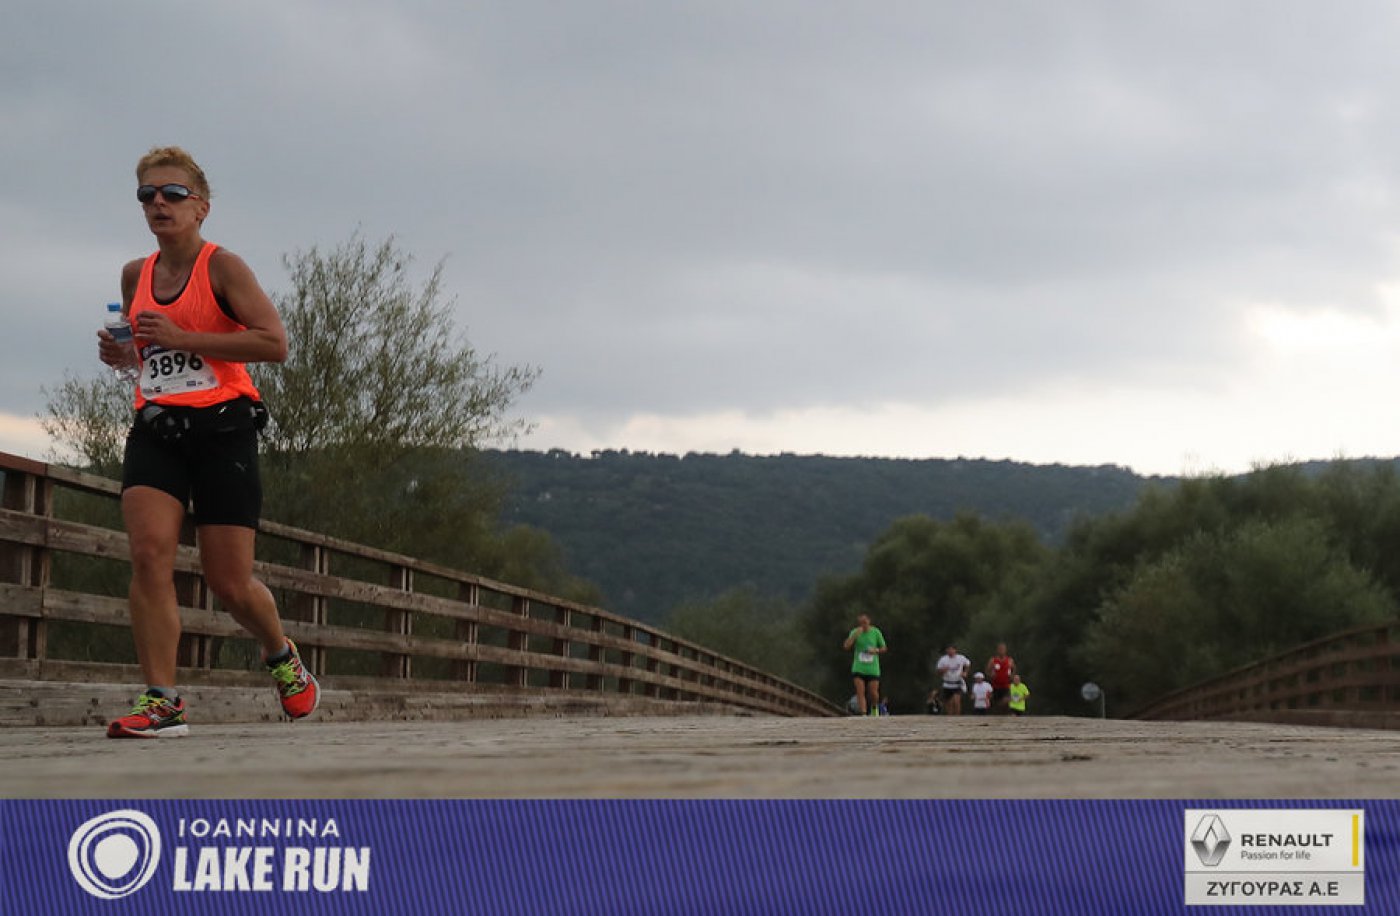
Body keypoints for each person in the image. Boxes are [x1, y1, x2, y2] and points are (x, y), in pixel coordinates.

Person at [97, 146, 319, 738]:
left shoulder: (223, 268)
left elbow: (274, 343)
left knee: (229, 583)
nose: (159, 204)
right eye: (147, 195)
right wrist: (123, 355)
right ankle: (162, 702)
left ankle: (281, 655)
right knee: (149, 555)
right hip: (157, 428)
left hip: (223, 429)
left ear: (201, 207)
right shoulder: (135, 275)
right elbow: (147, 356)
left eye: (172, 193)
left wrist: (183, 336)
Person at [842, 613, 887, 716]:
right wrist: (855, 636)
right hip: (859, 667)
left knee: (873, 693)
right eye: (861, 623)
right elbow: (846, 646)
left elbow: (884, 648)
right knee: (860, 692)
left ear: (869, 622)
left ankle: (874, 707)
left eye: (865, 622)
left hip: (872, 668)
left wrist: (875, 650)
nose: (863, 625)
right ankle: (863, 713)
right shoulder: (855, 632)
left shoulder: (876, 632)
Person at [934, 644, 970, 716]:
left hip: (957, 682)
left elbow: (967, 664)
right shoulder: (943, 659)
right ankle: (950, 717)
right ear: (946, 650)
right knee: (948, 703)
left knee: (956, 701)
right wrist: (943, 670)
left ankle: (957, 717)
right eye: (949, 649)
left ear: (955, 650)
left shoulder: (961, 658)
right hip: (947, 683)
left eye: (952, 649)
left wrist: (965, 672)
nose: (950, 651)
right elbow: (938, 671)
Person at [986, 642, 1016, 714]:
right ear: (997, 650)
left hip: (1006, 685)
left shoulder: (1009, 660)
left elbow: (1014, 669)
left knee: (1005, 701)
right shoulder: (993, 660)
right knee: (996, 703)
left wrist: (1012, 676)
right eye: (1000, 649)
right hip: (995, 685)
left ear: (1005, 650)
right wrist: (991, 674)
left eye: (1003, 649)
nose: (1001, 651)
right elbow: (987, 670)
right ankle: (999, 715)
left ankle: (1007, 713)